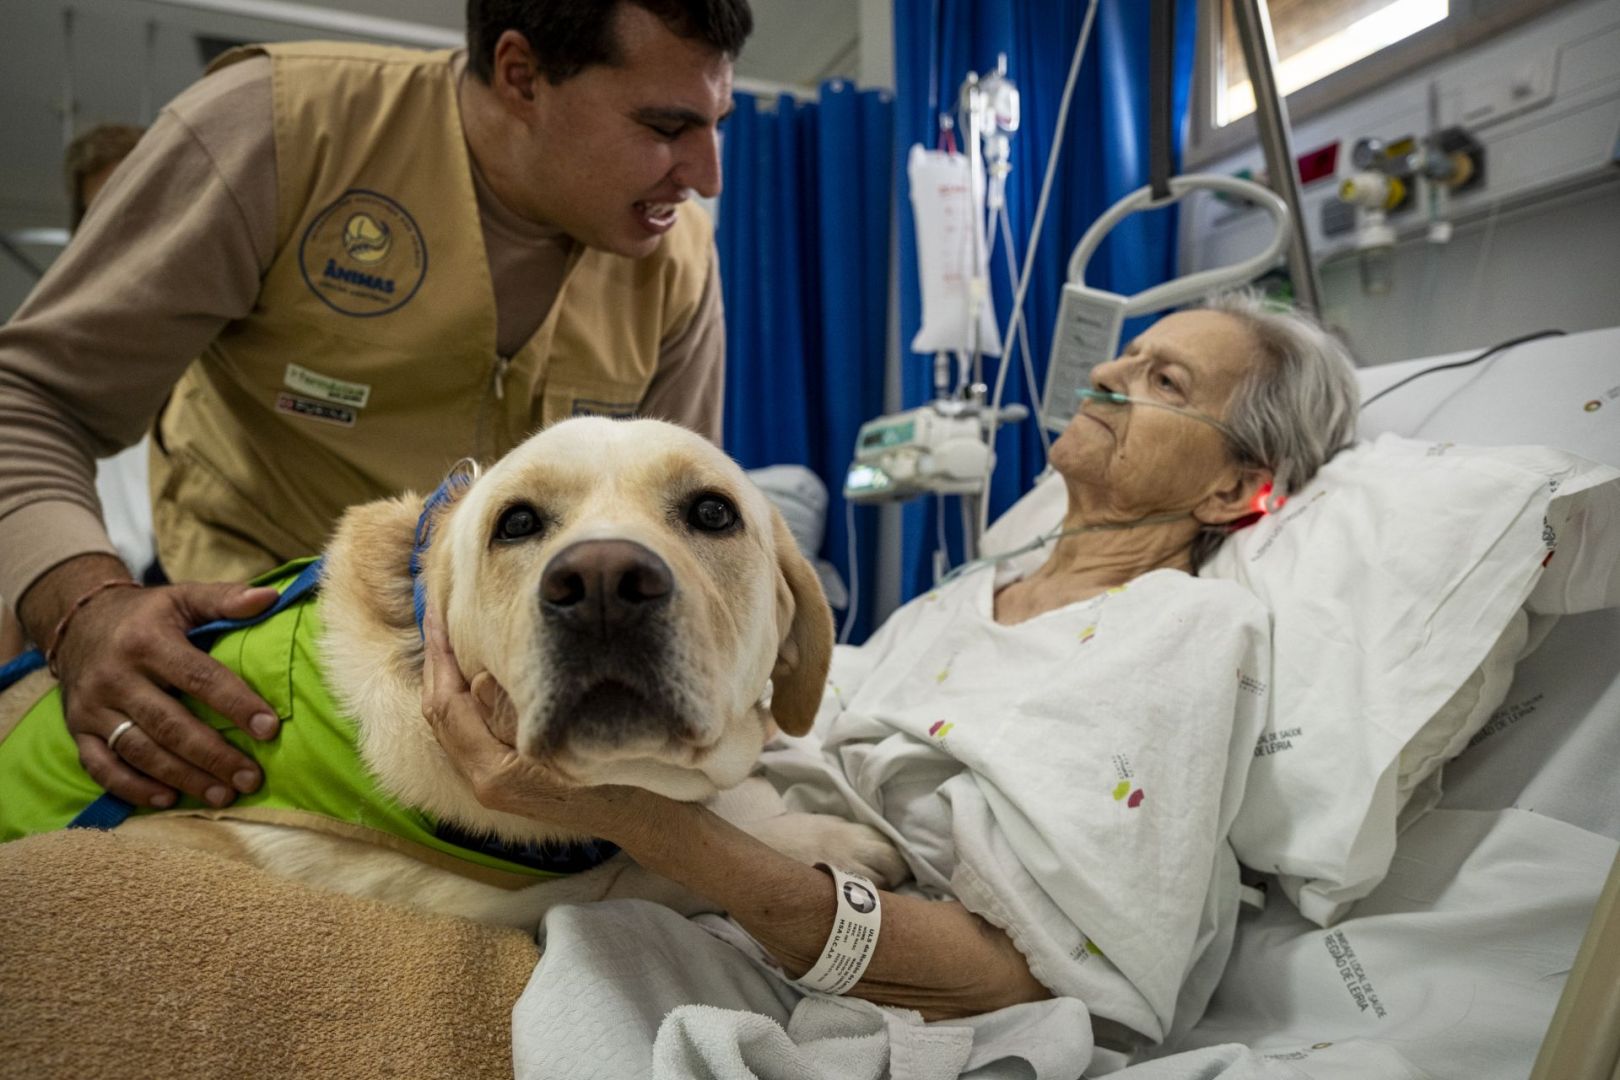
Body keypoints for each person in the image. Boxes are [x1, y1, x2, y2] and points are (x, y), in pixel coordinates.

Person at [421, 293, 1362, 1070]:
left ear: (1235, 490)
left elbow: (1020, 976)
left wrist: (647, 826)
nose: (1111, 375)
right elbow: (790, 723)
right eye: (1128, 358)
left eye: (1167, 380)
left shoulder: (1181, 629)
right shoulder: (958, 600)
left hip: (838, 973)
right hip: (688, 876)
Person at [0, 0, 750, 812]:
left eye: (716, 123)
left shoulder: (678, 259)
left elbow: (679, 539)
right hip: (265, 664)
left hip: (514, 686)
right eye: (666, 126)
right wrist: (85, 607)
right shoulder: (279, 133)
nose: (707, 175)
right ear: (521, 77)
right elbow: (27, 398)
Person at [0, 123, 150, 664]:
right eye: (100, 212)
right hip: (82, 616)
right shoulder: (55, 364)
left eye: (137, 201)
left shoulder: (229, 349)